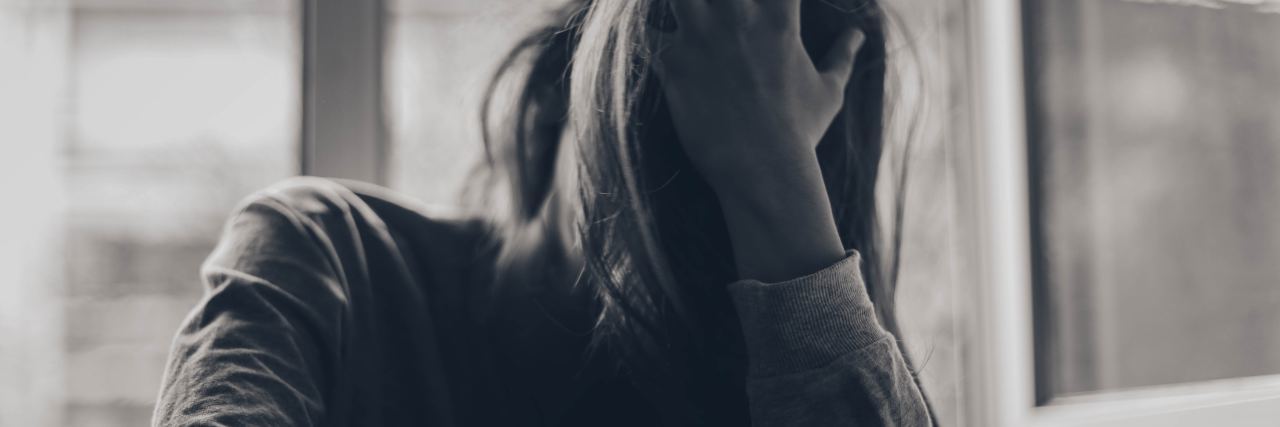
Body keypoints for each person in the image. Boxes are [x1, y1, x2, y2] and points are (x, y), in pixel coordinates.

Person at [152, 0, 933, 425]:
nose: (690, 191)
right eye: (660, 128)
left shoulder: (769, 385)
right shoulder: (329, 261)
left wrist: (780, 200)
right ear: (552, 103)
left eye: (759, 168)